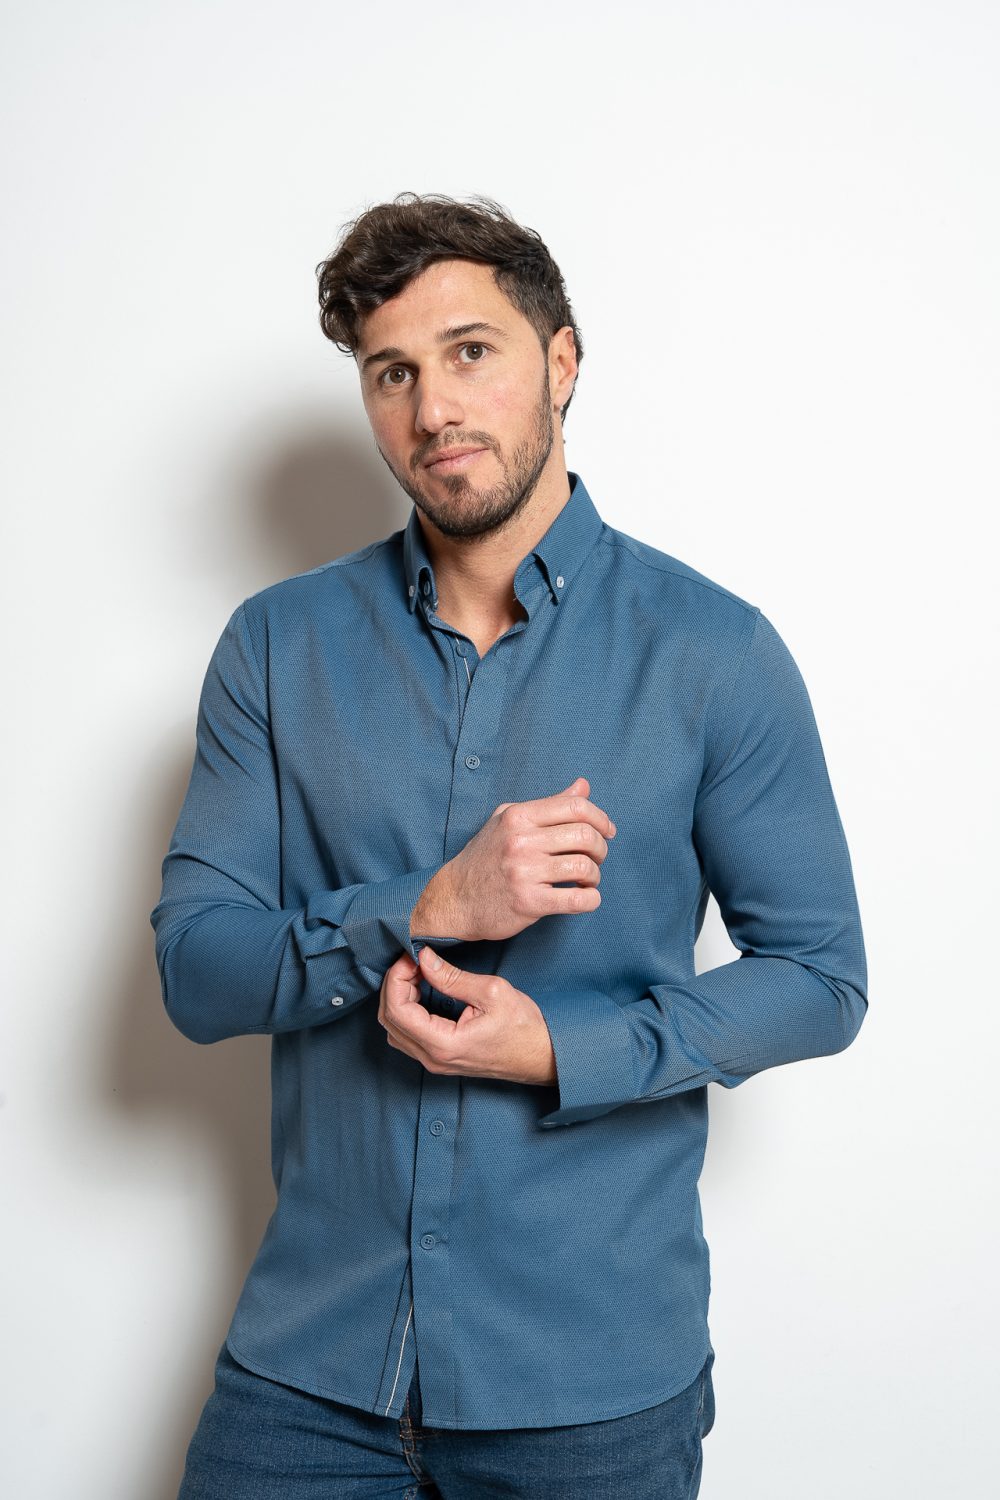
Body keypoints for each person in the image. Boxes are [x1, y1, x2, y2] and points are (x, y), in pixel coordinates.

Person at [150, 192, 868, 1499]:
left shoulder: (714, 653)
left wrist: (562, 1050)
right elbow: (197, 972)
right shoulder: (275, 646)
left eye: (471, 352)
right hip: (310, 1368)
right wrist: (425, 903)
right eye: (392, 373)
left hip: (590, 1387)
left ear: (563, 361)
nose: (433, 408)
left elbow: (820, 978)